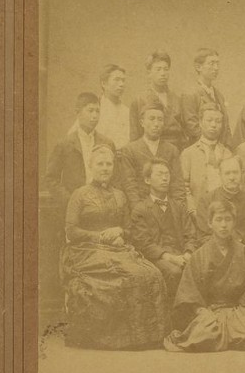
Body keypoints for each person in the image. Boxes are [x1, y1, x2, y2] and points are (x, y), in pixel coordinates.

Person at [61, 144, 169, 350]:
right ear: (91, 166)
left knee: (151, 273)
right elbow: (71, 231)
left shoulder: (120, 195)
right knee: (129, 275)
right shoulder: (80, 194)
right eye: (100, 164)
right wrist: (100, 237)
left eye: (108, 164)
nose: (105, 168)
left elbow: (129, 228)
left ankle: (149, 337)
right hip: (85, 251)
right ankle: (123, 339)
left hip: (118, 248)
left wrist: (119, 231)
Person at [164, 200, 245, 352]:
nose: (223, 225)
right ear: (210, 223)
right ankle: (228, 336)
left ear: (234, 222)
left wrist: (243, 313)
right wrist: (202, 312)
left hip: (238, 311)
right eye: (218, 219)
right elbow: (190, 292)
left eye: (228, 219)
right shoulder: (199, 256)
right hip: (209, 311)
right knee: (204, 335)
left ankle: (225, 336)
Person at [128, 157, 197, 299]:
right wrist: (170, 258)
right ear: (148, 180)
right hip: (156, 258)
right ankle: (176, 311)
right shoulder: (140, 210)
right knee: (174, 272)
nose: (165, 178)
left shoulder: (179, 207)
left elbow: (191, 235)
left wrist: (188, 253)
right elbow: (144, 244)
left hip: (182, 255)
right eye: (160, 174)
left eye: (167, 174)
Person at [46, 92, 116, 210]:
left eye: (97, 111)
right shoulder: (65, 144)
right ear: (78, 113)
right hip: (74, 207)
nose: (95, 116)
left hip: (102, 207)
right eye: (90, 111)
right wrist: (70, 201)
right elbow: (51, 179)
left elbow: (116, 176)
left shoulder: (107, 143)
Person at [117, 100, 184, 208]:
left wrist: (178, 210)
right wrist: (140, 212)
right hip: (141, 209)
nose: (156, 124)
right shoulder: (130, 150)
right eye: (152, 119)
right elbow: (130, 187)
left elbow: (178, 186)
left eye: (160, 120)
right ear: (142, 122)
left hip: (168, 209)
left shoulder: (172, 150)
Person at [195, 155, 245, 253]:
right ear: (220, 175)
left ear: (242, 173)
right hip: (217, 252)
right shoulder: (206, 201)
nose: (232, 177)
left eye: (235, 172)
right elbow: (203, 236)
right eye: (227, 173)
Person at [178, 103, 233, 211]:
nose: (213, 125)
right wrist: (193, 210)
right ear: (200, 122)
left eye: (218, 121)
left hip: (222, 212)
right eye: (209, 120)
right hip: (197, 211)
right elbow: (183, 187)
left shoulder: (227, 154)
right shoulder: (188, 154)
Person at [129, 51, 186, 150]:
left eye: (166, 69)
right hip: (150, 149)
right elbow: (135, 135)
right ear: (149, 73)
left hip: (176, 149)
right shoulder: (139, 100)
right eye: (158, 69)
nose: (163, 73)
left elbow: (183, 132)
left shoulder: (177, 99)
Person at [181, 48, 232, 146]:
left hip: (221, 148)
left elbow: (226, 125)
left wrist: (228, 147)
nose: (216, 68)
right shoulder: (190, 94)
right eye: (211, 63)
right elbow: (192, 126)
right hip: (200, 148)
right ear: (198, 67)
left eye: (217, 64)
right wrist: (211, 144)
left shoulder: (219, 95)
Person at [95, 63, 131, 149]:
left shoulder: (127, 111)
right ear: (104, 84)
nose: (121, 84)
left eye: (123, 80)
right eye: (117, 80)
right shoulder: (95, 109)